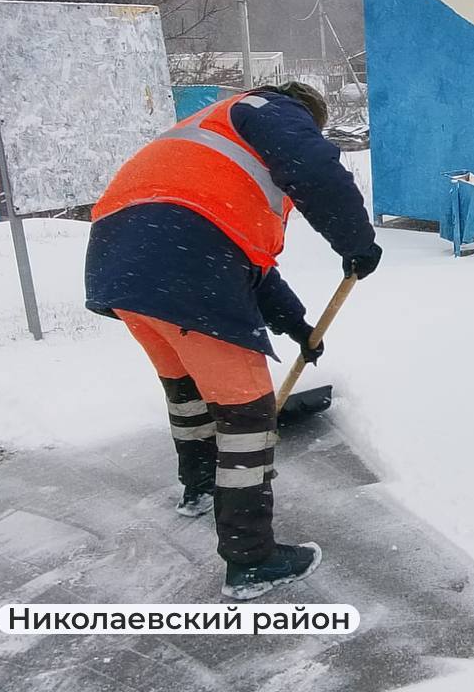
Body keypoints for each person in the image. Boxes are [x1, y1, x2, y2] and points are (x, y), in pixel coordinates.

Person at [85, 81, 382, 599]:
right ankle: (252, 558)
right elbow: (316, 170)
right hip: (185, 258)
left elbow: (251, 266)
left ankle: (199, 487)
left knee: (186, 389)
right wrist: (356, 241)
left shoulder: (211, 136)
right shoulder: (272, 109)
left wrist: (299, 328)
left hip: (120, 260)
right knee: (245, 413)